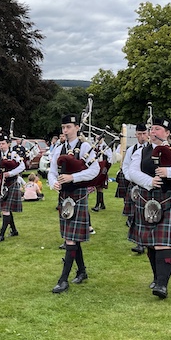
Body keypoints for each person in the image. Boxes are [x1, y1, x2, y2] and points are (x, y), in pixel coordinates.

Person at [125, 117, 171, 299]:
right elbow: (132, 172)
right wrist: (149, 181)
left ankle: (162, 285)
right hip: (148, 197)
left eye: (157, 129)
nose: (153, 132)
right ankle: (157, 278)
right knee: (150, 242)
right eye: (152, 129)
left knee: (163, 242)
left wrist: (168, 172)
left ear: (167, 133)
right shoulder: (141, 151)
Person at [48, 114, 100, 293]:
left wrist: (73, 177)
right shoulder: (58, 148)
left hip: (78, 194)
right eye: (63, 128)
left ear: (77, 127)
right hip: (63, 195)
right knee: (71, 237)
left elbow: (95, 170)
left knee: (70, 238)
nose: (65, 131)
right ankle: (82, 271)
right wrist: (52, 182)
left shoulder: (85, 146)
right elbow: (52, 170)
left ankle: (63, 280)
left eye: (68, 127)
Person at [0, 133, 25, 242]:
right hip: (2, 185)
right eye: (0, 144)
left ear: (8, 144)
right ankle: (14, 230)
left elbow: (22, 166)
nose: (1, 146)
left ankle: (1, 234)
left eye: (3, 144)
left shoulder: (14, 154)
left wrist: (9, 174)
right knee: (6, 209)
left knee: (5, 209)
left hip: (12, 183)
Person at [121, 124, 148, 253]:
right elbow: (125, 166)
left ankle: (147, 242)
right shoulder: (131, 149)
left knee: (146, 214)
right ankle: (139, 243)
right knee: (135, 215)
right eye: (139, 134)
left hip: (147, 185)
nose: (141, 137)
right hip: (134, 185)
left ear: (147, 134)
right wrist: (130, 177)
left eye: (144, 134)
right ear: (135, 134)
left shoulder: (151, 149)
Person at [91, 137, 113, 212]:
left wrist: (106, 168)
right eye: (97, 139)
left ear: (103, 139)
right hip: (97, 167)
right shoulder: (96, 146)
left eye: (99, 139)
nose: (98, 140)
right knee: (98, 186)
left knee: (100, 186)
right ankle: (102, 204)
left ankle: (97, 205)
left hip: (103, 168)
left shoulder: (106, 147)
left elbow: (111, 159)